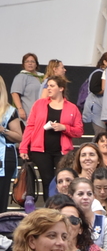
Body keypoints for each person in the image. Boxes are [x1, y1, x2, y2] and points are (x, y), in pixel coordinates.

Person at [18, 76, 83, 204]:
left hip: (62, 151)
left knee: (62, 180)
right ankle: (50, 207)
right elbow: (30, 126)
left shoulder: (72, 108)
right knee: (47, 180)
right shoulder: (39, 104)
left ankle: (64, 205)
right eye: (48, 86)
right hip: (40, 150)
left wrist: (64, 127)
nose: (48, 88)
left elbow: (79, 131)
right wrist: (23, 147)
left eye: (52, 86)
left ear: (61, 88)